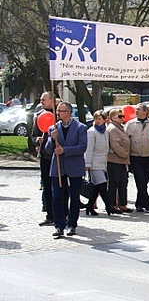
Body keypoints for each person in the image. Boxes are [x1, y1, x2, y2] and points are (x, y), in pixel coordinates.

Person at [44, 101, 88, 238]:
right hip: (58, 167)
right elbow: (47, 150)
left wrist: (65, 150)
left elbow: (82, 147)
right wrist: (52, 139)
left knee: (74, 197)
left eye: (60, 111)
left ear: (68, 113)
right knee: (57, 197)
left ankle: (72, 224)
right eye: (57, 111)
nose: (57, 113)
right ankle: (59, 225)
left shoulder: (80, 128)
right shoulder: (53, 128)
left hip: (74, 167)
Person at [84, 110, 116, 216]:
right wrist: (87, 163)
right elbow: (89, 149)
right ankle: (108, 206)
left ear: (104, 120)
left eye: (99, 119)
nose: (97, 121)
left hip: (102, 162)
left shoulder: (105, 131)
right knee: (102, 184)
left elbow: (106, 147)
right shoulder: (91, 132)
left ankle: (89, 206)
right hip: (94, 163)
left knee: (96, 187)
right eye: (96, 119)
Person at [125, 103, 149, 212]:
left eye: (138, 109)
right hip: (135, 156)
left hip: (148, 156)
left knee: (144, 181)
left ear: (145, 111)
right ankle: (147, 203)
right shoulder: (130, 124)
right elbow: (125, 140)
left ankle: (139, 203)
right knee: (140, 180)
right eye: (135, 109)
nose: (136, 111)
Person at [34, 92, 57, 226]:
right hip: (45, 156)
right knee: (47, 186)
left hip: (59, 156)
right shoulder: (39, 115)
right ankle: (49, 214)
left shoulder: (59, 115)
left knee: (60, 187)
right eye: (41, 99)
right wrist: (37, 140)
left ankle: (62, 214)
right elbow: (33, 136)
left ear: (52, 100)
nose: (41, 101)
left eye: (44, 99)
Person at [106, 108, 132, 213]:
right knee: (114, 183)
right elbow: (115, 144)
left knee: (123, 182)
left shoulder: (121, 128)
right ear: (112, 117)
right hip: (114, 160)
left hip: (122, 160)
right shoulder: (112, 129)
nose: (122, 118)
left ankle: (122, 203)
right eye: (119, 116)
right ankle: (112, 204)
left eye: (123, 116)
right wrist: (125, 154)